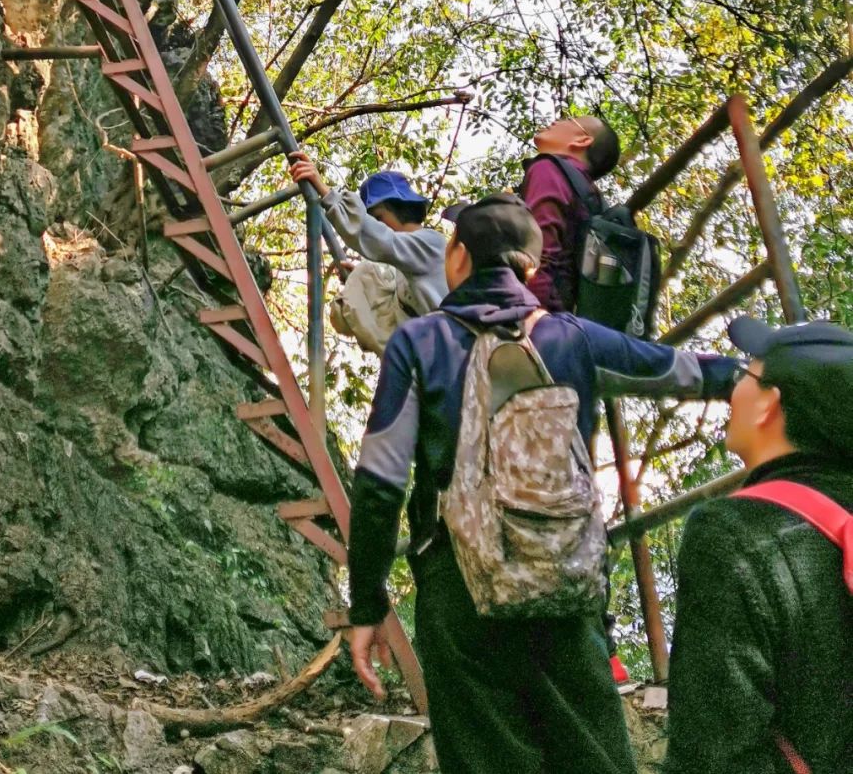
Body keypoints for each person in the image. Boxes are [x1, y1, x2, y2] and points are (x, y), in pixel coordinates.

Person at [346, 193, 738, 774]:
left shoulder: (420, 342)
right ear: (529, 269)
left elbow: (380, 481)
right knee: (592, 754)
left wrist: (368, 604)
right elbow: (676, 369)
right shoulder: (571, 337)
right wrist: (763, 373)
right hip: (564, 581)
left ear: (456, 255)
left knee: (486, 756)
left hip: (460, 587)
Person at [666, 315, 853, 774]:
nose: (733, 392)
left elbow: (715, 750)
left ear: (770, 403)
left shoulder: (731, 532)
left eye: (746, 373)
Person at [287, 152, 447, 315]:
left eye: (378, 217)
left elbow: (381, 240)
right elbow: (390, 311)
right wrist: (362, 280)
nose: (377, 225)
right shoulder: (404, 271)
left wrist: (326, 192)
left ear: (399, 207)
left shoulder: (431, 243)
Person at [520, 113, 621, 312]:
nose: (556, 121)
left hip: (539, 315)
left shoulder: (548, 168)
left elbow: (539, 250)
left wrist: (529, 313)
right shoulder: (593, 199)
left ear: (582, 140)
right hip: (568, 319)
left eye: (568, 120)